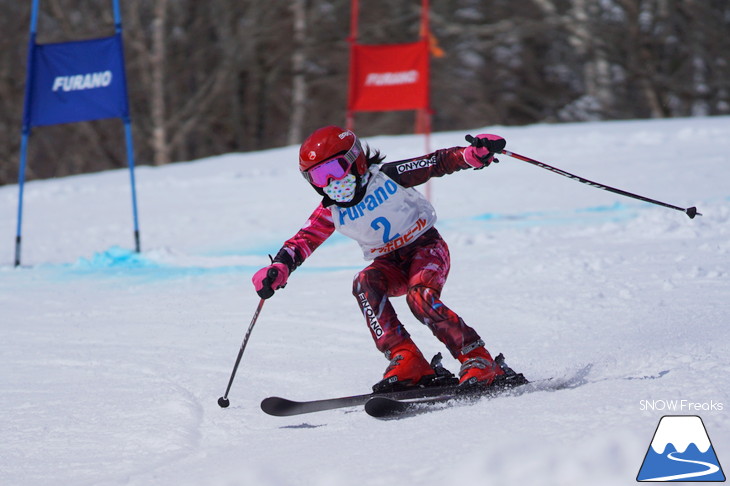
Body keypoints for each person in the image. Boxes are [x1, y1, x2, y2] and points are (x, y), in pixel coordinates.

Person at [252, 126, 525, 392]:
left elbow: (435, 162)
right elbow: (303, 241)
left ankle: (478, 358)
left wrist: (469, 155)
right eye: (318, 178)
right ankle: (407, 359)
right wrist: (279, 267)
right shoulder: (331, 210)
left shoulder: (387, 177)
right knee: (364, 282)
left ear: (355, 161)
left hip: (425, 248)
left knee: (420, 297)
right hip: (389, 263)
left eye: (334, 170)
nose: (331, 184)